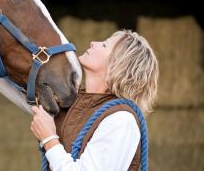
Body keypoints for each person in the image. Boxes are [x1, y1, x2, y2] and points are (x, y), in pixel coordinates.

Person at [30, 30, 159, 171]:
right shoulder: (70, 103)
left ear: (117, 65)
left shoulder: (122, 120)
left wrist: (49, 139)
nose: (93, 43)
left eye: (104, 46)